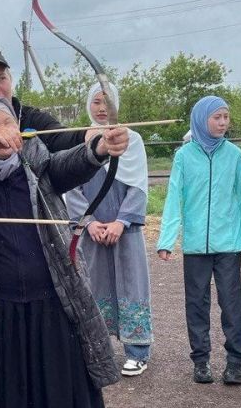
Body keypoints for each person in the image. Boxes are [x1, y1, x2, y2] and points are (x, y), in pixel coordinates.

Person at [0, 96, 127, 408]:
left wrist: (100, 148)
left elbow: (72, 163)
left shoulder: (38, 162)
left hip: (52, 303)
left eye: (8, 121)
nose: (3, 131)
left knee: (60, 391)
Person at [157, 95, 241, 386]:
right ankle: (201, 360)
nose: (223, 122)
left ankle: (235, 362)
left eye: (226, 117)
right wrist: (167, 239)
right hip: (195, 246)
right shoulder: (183, 156)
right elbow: (174, 198)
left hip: (229, 243)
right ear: (202, 119)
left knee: (231, 303)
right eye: (217, 117)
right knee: (196, 303)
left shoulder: (233, 155)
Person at [65, 83, 154, 377]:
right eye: (97, 102)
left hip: (123, 230)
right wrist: (88, 222)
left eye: (108, 102)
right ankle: (99, 350)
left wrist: (121, 221)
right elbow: (71, 187)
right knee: (94, 287)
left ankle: (137, 352)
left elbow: (139, 184)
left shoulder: (134, 139)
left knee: (132, 285)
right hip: (92, 230)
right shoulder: (82, 141)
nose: (102, 108)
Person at [0, 46, 129, 153]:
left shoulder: (31, 117)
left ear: (10, 79)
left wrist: (95, 136)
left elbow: (61, 136)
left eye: (1, 78)